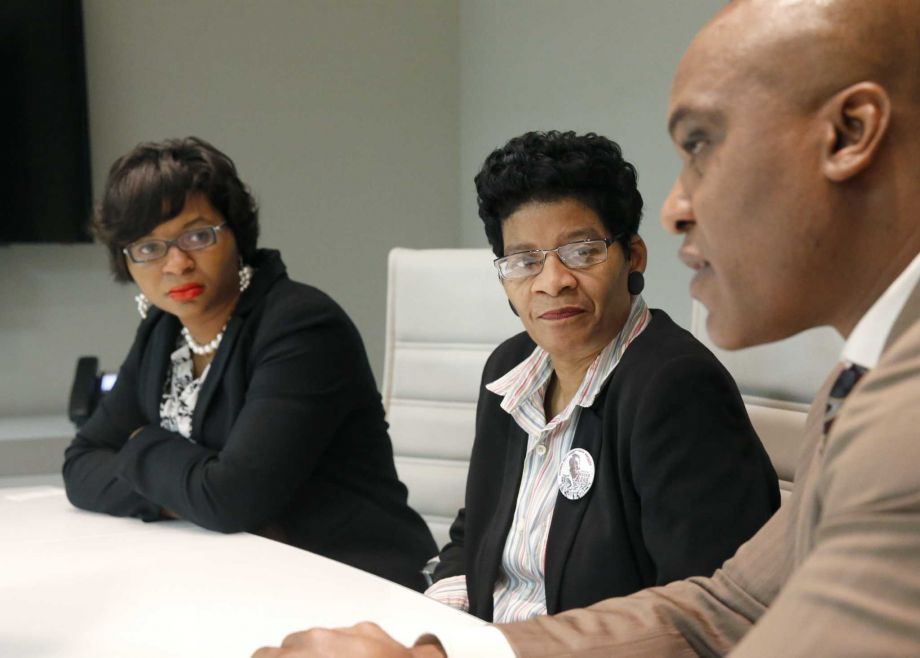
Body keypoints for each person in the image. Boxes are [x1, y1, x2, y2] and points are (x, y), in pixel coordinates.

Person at [251, 0, 920, 655]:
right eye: (524, 261)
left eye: (700, 145)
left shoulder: (704, 386)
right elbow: (727, 607)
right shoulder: (860, 377)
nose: (675, 208)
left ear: (850, 132)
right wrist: (444, 649)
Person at [422, 130, 779, 624]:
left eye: (582, 251)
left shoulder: (673, 388)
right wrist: (432, 629)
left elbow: (705, 614)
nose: (552, 282)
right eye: (524, 261)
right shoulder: (510, 370)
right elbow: (474, 532)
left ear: (633, 255)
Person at [62, 137, 436, 591]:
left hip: (349, 579)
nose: (176, 264)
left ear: (235, 233)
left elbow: (232, 499)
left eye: (197, 236)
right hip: (234, 575)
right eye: (148, 247)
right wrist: (192, 493)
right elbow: (80, 465)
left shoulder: (301, 326)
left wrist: (139, 445)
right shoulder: (164, 329)